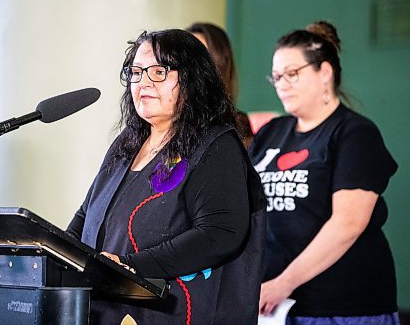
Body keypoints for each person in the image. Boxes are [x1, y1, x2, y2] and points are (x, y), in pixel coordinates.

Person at [67, 29, 266, 325]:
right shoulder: (127, 143)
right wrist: (55, 256)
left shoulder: (215, 144)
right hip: (105, 311)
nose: (143, 82)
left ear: (193, 80)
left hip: (177, 313)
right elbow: (88, 215)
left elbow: (220, 232)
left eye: (159, 71)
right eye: (136, 72)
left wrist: (130, 267)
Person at [249, 21, 399, 325]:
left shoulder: (354, 133)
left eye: (292, 74)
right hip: (277, 308)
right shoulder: (271, 133)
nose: (282, 84)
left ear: (325, 73)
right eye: (276, 77)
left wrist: (283, 283)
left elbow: (348, 223)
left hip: (342, 307)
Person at [186, 22, 253, 147]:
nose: (190, 65)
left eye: (200, 57)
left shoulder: (236, 123)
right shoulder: (162, 121)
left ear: (220, 64)